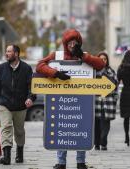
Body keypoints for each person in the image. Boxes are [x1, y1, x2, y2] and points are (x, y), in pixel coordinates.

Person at [36, 28, 105, 169]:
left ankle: (81, 161)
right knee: (62, 128)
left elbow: (101, 65)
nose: (72, 45)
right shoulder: (57, 55)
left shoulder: (84, 56)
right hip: (62, 99)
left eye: (75, 42)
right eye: (70, 42)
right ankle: (61, 162)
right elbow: (39, 66)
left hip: (82, 100)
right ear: (65, 44)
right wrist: (55, 73)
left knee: (81, 127)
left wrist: (83, 57)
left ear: (79, 43)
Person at [0, 44, 36, 165]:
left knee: (19, 131)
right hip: (4, 103)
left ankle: (19, 154)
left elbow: (32, 86)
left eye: (9, 52)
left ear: (16, 54)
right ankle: (7, 156)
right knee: (6, 127)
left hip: (21, 105)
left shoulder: (26, 68)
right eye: (6, 51)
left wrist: (31, 98)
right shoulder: (1, 68)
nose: (6, 54)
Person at [94, 52, 118, 151]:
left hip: (108, 102)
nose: (103, 61)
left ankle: (103, 142)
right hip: (96, 102)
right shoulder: (93, 71)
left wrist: (115, 98)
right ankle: (97, 144)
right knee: (96, 124)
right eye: (101, 59)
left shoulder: (111, 71)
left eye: (105, 59)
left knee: (105, 124)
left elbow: (114, 84)